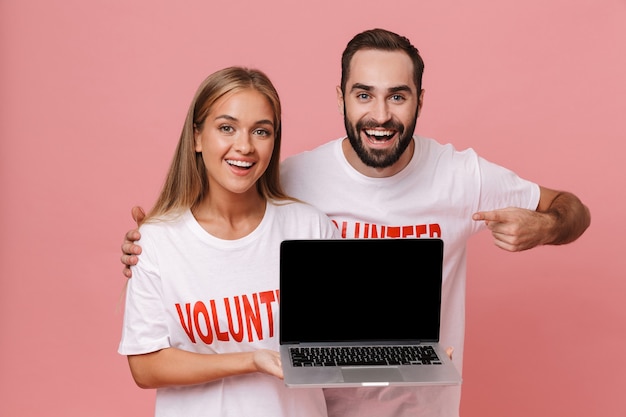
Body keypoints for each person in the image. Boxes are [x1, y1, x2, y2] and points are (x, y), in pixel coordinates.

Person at [120, 30, 591, 417]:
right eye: (364, 94)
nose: (380, 114)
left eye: (398, 96)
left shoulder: (462, 175)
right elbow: (226, 203)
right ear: (342, 96)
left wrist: (544, 228)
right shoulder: (295, 180)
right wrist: (156, 242)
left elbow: (572, 209)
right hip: (325, 404)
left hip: (419, 406)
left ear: (420, 101)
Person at [117, 66, 338, 417]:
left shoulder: (309, 228)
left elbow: (341, 340)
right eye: (226, 128)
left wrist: (408, 349)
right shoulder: (156, 241)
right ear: (197, 138)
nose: (245, 146)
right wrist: (251, 360)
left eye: (261, 131)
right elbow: (145, 367)